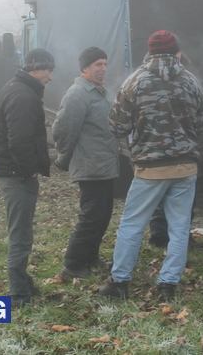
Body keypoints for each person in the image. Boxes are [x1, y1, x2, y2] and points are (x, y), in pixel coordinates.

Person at [100, 31, 203, 302]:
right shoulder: (190, 80)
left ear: (149, 52)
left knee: (132, 224)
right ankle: (168, 284)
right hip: (185, 167)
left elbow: (116, 126)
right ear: (176, 52)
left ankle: (120, 281)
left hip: (150, 169)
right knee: (179, 227)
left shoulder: (134, 82)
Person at [0, 48, 55, 308]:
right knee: (20, 233)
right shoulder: (23, 96)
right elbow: (19, 141)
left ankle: (23, 282)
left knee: (22, 230)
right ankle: (18, 293)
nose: (50, 77)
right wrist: (29, 170)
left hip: (13, 171)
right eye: (48, 70)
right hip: (16, 174)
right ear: (36, 69)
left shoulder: (17, 88)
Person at [53, 47, 119, 279]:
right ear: (84, 68)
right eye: (97, 65)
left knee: (102, 215)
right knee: (91, 216)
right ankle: (73, 264)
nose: (103, 69)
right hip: (90, 166)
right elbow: (63, 129)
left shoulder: (101, 92)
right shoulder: (78, 94)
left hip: (105, 164)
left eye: (105, 64)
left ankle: (90, 257)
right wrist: (64, 157)